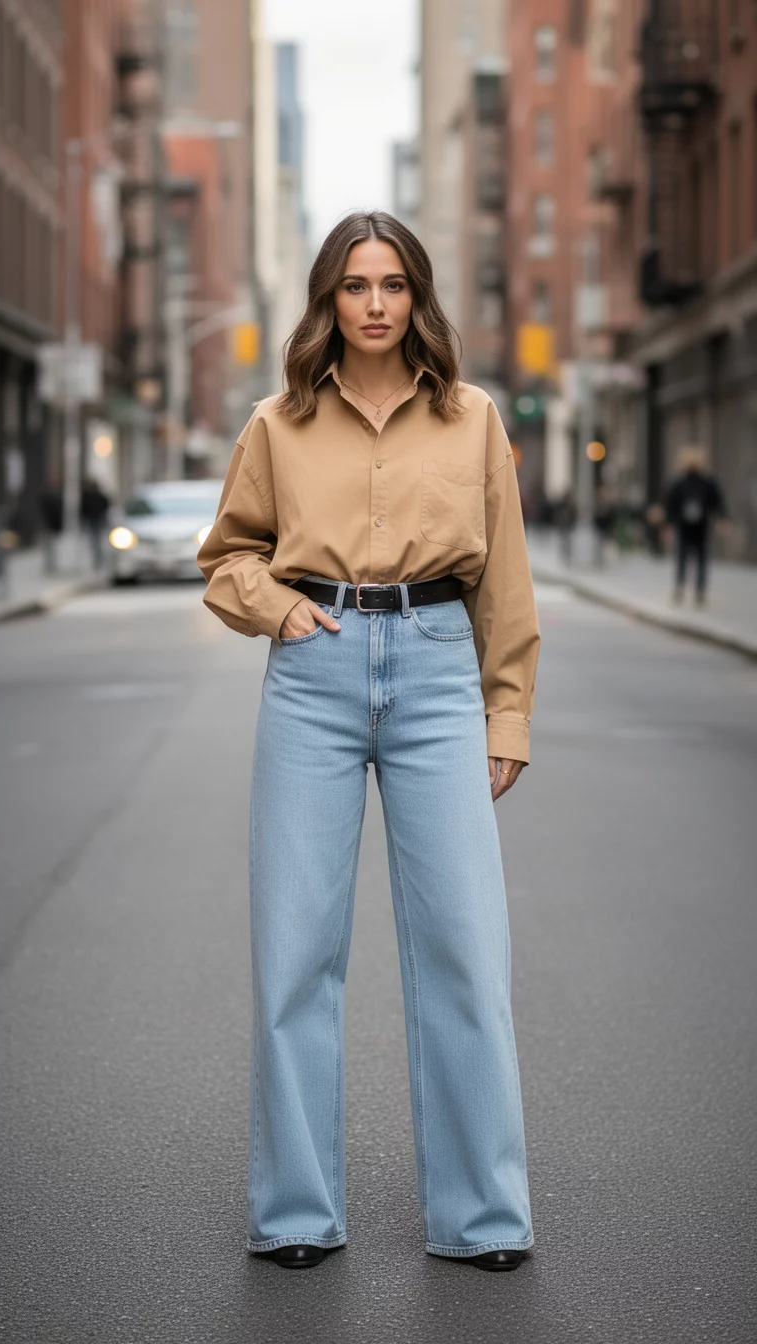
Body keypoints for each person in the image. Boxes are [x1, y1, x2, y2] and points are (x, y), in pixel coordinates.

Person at [197, 211, 540, 1273]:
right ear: (329, 301)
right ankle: (296, 1211)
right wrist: (280, 609)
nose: (377, 304)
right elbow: (225, 558)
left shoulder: (473, 418)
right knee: (296, 951)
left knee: (467, 953)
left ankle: (483, 1215)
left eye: (394, 284)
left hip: (439, 669)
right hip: (317, 670)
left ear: (418, 297)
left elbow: (505, 580)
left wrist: (508, 710)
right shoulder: (278, 423)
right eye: (356, 286)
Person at [663, 446, 727, 606]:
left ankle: (694, 590)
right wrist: (668, 524)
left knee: (695, 558)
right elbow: (671, 505)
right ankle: (685, 589)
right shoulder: (681, 483)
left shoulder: (704, 482)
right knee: (688, 558)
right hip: (687, 526)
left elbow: (717, 503)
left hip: (699, 526)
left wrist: (722, 518)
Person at [79, 477, 111, 570]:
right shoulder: (87, 496)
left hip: (97, 520)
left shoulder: (97, 496)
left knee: (98, 541)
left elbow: (106, 504)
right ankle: (98, 559)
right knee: (95, 541)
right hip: (93, 520)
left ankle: (100, 559)